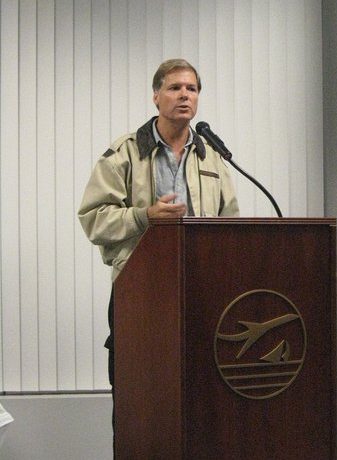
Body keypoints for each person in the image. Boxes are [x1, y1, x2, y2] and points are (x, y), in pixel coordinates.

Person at [79, 58, 240, 386]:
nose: (184, 95)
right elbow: (94, 219)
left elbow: (231, 228)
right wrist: (144, 216)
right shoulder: (125, 154)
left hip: (202, 288)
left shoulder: (210, 156)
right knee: (137, 393)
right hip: (141, 289)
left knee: (199, 389)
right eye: (175, 88)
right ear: (156, 96)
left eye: (191, 89)